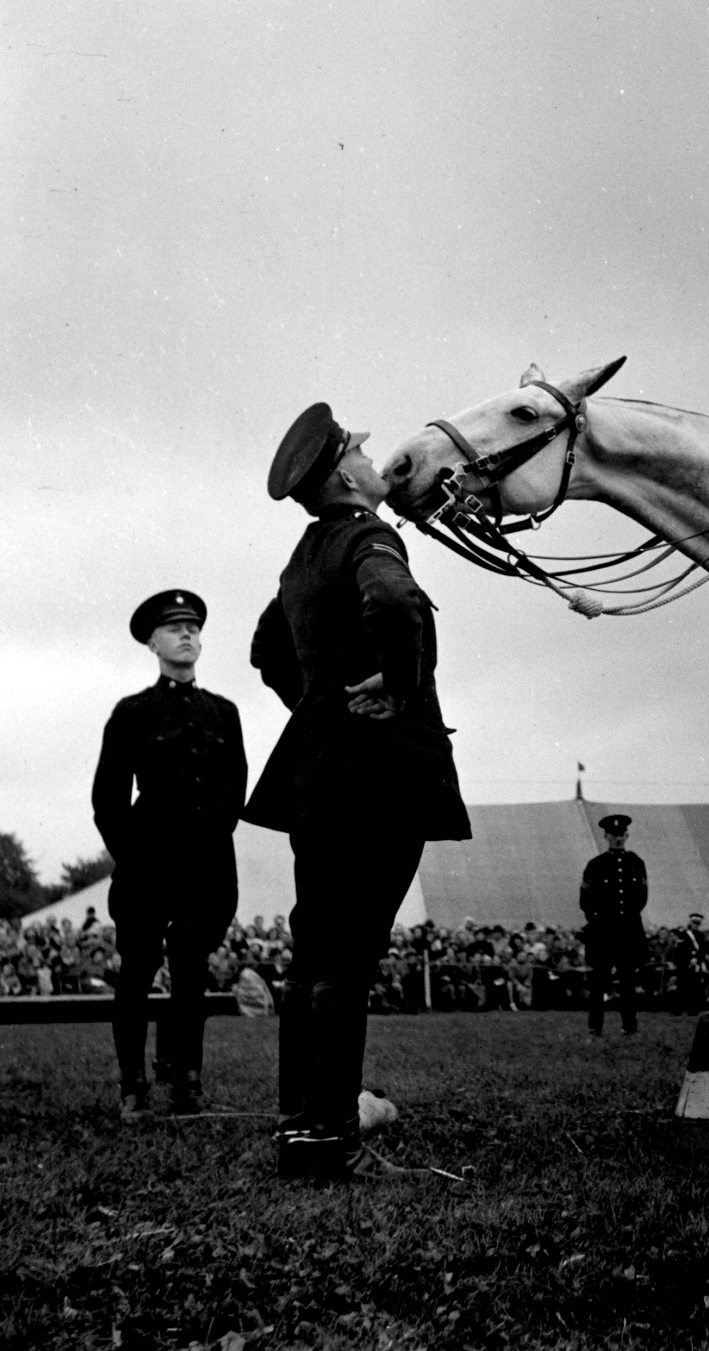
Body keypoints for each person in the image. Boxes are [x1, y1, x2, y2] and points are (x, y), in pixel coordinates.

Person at [244, 402, 471, 1180]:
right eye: (365, 457)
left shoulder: (303, 555)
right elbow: (397, 602)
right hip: (378, 776)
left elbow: (265, 649)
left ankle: (301, 1124)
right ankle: (332, 1136)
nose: (380, 466)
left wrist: (319, 706)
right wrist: (396, 689)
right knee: (347, 955)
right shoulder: (371, 538)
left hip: (315, 777)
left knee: (315, 950)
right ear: (346, 474)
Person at [92, 589, 247, 1119]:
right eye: (175, 628)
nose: (187, 635)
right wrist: (133, 858)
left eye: (194, 628)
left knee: (191, 972)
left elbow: (234, 792)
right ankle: (133, 1089)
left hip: (206, 864)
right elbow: (107, 800)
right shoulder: (133, 712)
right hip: (147, 864)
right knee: (136, 972)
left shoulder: (223, 712)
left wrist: (207, 846)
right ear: (153, 643)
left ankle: (188, 1084)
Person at [579, 814, 648, 1036]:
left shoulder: (636, 863)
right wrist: (598, 921)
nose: (617, 839)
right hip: (603, 933)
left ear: (626, 836)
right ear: (606, 836)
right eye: (613, 835)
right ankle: (594, 1026)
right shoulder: (596, 865)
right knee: (599, 981)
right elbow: (585, 900)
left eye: (621, 835)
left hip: (628, 932)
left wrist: (626, 920)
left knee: (627, 981)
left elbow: (641, 897)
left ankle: (629, 1025)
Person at [670, 911, 709, 1014]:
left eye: (697, 923)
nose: (695, 925)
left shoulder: (701, 935)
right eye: (694, 923)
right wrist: (688, 960)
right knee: (682, 987)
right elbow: (680, 950)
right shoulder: (683, 934)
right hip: (684, 965)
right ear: (690, 923)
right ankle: (677, 1010)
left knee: (695, 988)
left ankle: (693, 1010)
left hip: (696, 965)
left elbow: (703, 950)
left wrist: (697, 959)